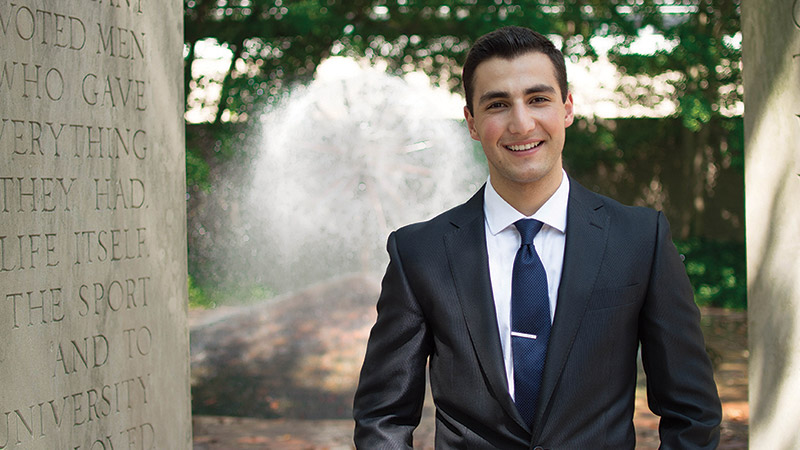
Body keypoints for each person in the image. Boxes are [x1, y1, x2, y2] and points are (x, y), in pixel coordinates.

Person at [353, 26, 721, 448]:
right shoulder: (419, 253)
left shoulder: (640, 240)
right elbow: (383, 416)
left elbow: (692, 413)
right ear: (472, 123)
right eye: (497, 104)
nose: (521, 123)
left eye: (538, 99)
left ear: (566, 108)